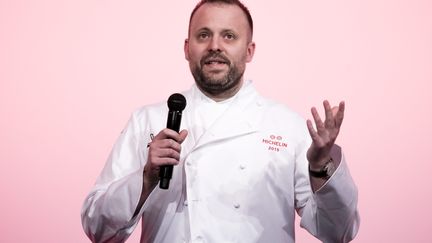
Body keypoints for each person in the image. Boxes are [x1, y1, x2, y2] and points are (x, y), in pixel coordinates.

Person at [81, 0, 360, 242]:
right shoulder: (148, 121)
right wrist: (145, 178)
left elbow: (338, 233)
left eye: (229, 36)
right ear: (187, 48)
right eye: (204, 35)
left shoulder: (287, 126)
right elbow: (97, 228)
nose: (215, 46)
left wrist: (321, 167)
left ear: (249, 51)